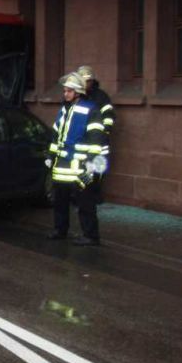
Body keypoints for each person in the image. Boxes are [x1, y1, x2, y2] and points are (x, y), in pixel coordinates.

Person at [46, 72, 109, 246]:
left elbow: (97, 143)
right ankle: (60, 230)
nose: (65, 94)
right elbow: (56, 136)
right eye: (64, 91)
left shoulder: (91, 111)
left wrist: (90, 169)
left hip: (80, 168)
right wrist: (50, 157)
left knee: (85, 204)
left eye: (68, 91)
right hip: (62, 167)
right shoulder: (64, 111)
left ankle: (91, 236)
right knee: (60, 203)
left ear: (78, 92)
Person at [77, 65, 115, 135]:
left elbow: (108, 114)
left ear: (92, 81)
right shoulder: (74, 96)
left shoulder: (101, 96)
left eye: (88, 81)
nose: (85, 83)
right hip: (77, 135)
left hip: (95, 135)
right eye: (83, 81)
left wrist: (106, 130)